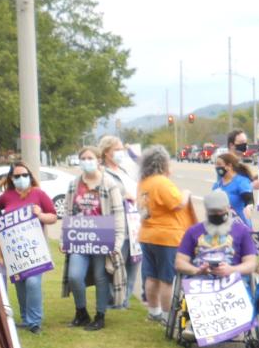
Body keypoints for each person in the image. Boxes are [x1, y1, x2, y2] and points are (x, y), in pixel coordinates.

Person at [62, 146, 125, 331]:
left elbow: (118, 214)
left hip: (102, 238)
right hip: (79, 239)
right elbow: (67, 212)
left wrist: (117, 243)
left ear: (98, 160)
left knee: (100, 276)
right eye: (84, 158)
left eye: (90, 158)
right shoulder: (74, 184)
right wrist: (63, 239)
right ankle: (81, 312)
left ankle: (100, 315)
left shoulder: (108, 183)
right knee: (74, 276)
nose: (87, 161)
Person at [0, 162, 57, 332]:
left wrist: (41, 215)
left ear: (29, 176)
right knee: (20, 285)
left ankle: (35, 322)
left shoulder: (39, 194)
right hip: (15, 251)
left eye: (24, 175)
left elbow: (53, 217)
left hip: (36, 250)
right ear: (11, 179)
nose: (21, 178)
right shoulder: (6, 196)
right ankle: (25, 318)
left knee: (33, 283)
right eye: (17, 176)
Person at [137, 145, 195, 324]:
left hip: (147, 234)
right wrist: (186, 193)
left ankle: (153, 312)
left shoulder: (143, 183)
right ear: (162, 163)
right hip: (167, 237)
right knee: (166, 279)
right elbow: (177, 204)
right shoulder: (162, 182)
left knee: (151, 277)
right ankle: (166, 316)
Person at [176, 190, 257, 277]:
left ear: (228, 208)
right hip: (199, 282)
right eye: (213, 211)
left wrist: (231, 270)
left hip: (232, 282)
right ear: (207, 211)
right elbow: (180, 262)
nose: (217, 214)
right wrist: (197, 270)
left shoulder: (242, 231)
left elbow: (251, 264)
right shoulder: (193, 231)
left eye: (220, 211)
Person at [100, 135, 140, 309]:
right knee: (116, 264)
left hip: (133, 224)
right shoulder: (102, 172)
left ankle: (125, 300)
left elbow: (141, 164)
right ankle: (113, 301)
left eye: (121, 149)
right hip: (118, 225)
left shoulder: (123, 170)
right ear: (107, 152)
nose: (120, 152)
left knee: (134, 262)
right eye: (117, 149)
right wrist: (121, 197)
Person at [213, 152, 255, 227]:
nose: (216, 167)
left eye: (219, 164)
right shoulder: (217, 186)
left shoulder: (241, 181)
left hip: (241, 225)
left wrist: (249, 207)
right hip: (223, 228)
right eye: (215, 164)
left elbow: (249, 199)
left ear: (229, 166)